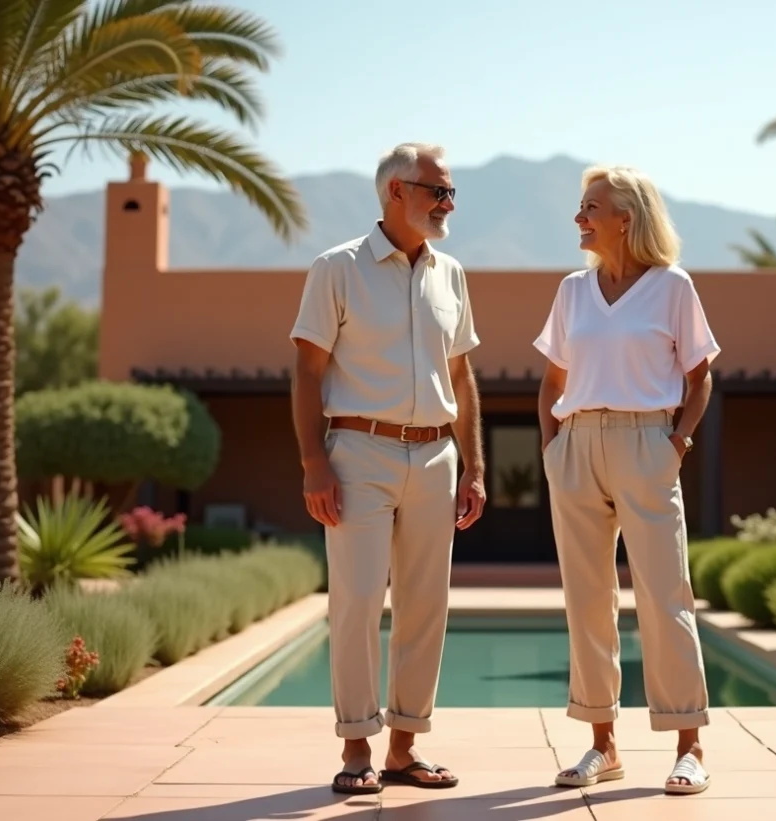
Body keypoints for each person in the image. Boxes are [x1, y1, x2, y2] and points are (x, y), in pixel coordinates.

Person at [289, 142, 486, 795]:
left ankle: (403, 749)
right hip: (358, 454)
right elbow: (307, 370)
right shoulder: (336, 268)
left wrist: (476, 464)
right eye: (438, 191)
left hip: (436, 453)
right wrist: (314, 461)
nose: (448, 203)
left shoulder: (450, 273)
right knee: (356, 601)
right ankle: (355, 747)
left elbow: (461, 374)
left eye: (450, 192)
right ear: (396, 192)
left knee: (427, 604)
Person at [533, 164, 720, 796]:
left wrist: (677, 442)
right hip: (577, 445)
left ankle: (689, 744)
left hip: (649, 443)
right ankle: (602, 746)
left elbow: (700, 377)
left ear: (626, 219)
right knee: (587, 600)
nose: (580, 218)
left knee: (665, 595)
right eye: (581, 206)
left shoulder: (673, 288)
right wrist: (553, 448)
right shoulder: (572, 291)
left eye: (591, 207)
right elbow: (552, 381)